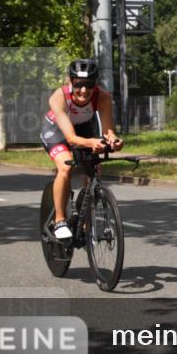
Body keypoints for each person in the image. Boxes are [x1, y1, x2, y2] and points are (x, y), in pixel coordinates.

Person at [40, 59, 123, 240]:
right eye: (78, 84)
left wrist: (114, 141)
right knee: (66, 167)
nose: (84, 90)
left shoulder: (103, 97)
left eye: (89, 84)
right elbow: (70, 138)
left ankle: (86, 221)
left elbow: (109, 130)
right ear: (71, 81)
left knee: (93, 172)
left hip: (84, 128)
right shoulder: (58, 97)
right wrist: (91, 143)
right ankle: (60, 220)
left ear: (95, 84)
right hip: (57, 131)